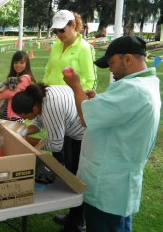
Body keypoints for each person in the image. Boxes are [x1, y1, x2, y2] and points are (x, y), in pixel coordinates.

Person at [63, 36, 161, 232]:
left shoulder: (133, 89)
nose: (110, 69)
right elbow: (121, 115)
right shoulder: (146, 85)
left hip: (108, 186)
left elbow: (85, 118)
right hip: (117, 183)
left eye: (112, 63)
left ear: (128, 59)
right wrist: (98, 101)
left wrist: (76, 86)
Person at [43, 10, 97, 216]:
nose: (58, 34)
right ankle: (70, 207)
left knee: (75, 165)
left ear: (73, 25)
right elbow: (48, 72)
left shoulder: (85, 48)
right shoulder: (56, 45)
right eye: (55, 30)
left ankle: (78, 217)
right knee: (62, 161)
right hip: (55, 109)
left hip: (74, 112)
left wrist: (74, 98)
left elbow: (89, 80)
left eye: (62, 29)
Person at [12, 83, 86, 232]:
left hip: (83, 135)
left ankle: (78, 222)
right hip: (72, 129)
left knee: (77, 178)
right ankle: (75, 216)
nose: (25, 120)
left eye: (24, 117)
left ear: (33, 109)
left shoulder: (51, 107)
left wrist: (26, 141)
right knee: (72, 173)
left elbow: (55, 145)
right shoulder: (41, 97)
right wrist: (20, 131)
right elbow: (38, 122)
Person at [0, 51, 36, 122]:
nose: (18, 65)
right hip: (6, 111)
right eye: (15, 62)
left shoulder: (26, 78)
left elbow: (12, 92)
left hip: (15, 114)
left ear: (27, 64)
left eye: (21, 62)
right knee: (2, 132)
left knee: (11, 132)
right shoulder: (14, 76)